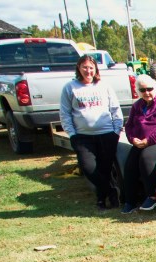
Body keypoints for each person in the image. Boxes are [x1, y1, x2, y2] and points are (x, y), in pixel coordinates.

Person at [60, 54, 123, 210]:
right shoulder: (70, 87)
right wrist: (72, 134)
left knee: (105, 169)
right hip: (83, 137)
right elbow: (65, 113)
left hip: (107, 134)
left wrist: (116, 130)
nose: (88, 71)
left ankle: (101, 200)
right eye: (84, 67)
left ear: (95, 69)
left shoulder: (104, 86)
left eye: (91, 67)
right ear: (79, 68)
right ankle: (111, 191)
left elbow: (115, 109)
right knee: (89, 168)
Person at [120, 74, 156, 213]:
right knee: (130, 163)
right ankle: (130, 200)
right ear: (138, 91)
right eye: (143, 90)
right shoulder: (137, 106)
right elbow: (129, 126)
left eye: (149, 89)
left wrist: (148, 141)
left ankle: (152, 195)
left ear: (154, 88)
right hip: (140, 143)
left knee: (146, 156)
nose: (147, 93)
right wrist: (132, 139)